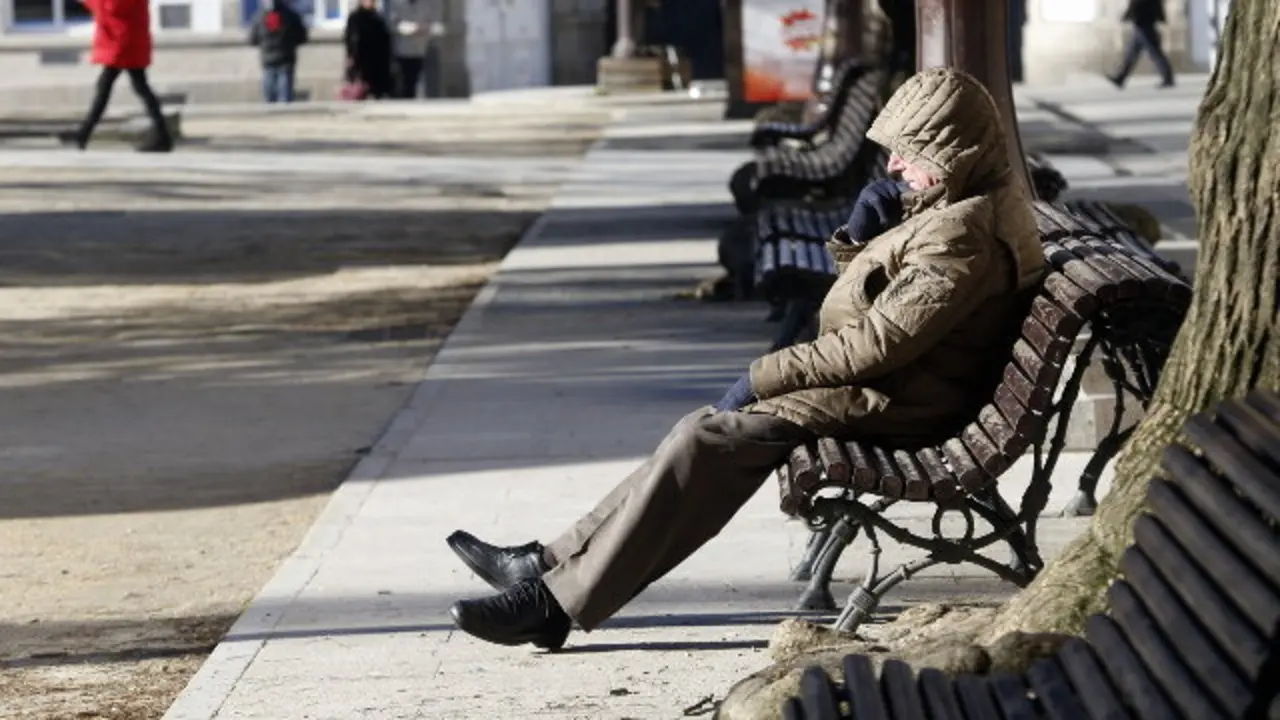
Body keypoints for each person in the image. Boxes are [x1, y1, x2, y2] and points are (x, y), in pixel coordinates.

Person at [444, 68, 1047, 651]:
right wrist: (865, 239)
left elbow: (875, 345)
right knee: (698, 433)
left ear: (954, 151)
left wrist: (762, 373)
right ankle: (546, 565)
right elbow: (890, 310)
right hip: (902, 384)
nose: (893, 166)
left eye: (908, 153)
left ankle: (552, 607)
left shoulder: (961, 230)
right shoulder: (966, 199)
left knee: (708, 443)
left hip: (903, 402)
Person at [60, 0, 172, 152]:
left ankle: (83, 134)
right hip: (128, 39)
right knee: (137, 88)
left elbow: (112, 7)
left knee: (107, 88)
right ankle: (163, 136)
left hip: (122, 41)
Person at [249, 0, 309, 104]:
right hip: (285, 59)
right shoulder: (291, 15)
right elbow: (302, 36)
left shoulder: (259, 16)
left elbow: (252, 39)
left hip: (269, 61)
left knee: (269, 99)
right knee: (284, 100)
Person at [1107, 0, 1175, 89]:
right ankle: (1121, 77)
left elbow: (1138, 3)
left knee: (1154, 52)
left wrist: (1127, 15)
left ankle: (1168, 77)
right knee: (1132, 53)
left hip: (1143, 20)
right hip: (1143, 20)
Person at [343, 0, 394, 100]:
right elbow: (350, 38)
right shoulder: (355, 17)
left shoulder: (378, 18)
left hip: (377, 60)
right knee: (360, 88)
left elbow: (385, 40)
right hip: (360, 58)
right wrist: (350, 56)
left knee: (376, 90)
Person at [386, 0, 432, 99]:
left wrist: (424, 28)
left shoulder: (424, 4)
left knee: (414, 79)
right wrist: (412, 28)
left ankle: (411, 99)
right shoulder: (397, 3)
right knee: (403, 80)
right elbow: (393, 24)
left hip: (419, 50)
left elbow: (429, 21)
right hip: (402, 50)